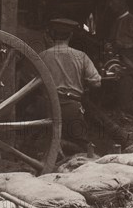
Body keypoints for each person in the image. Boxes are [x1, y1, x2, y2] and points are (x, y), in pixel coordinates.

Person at [39, 18, 102, 150]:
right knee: (84, 146)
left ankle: (58, 146)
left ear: (52, 35)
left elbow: (32, 82)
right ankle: (65, 146)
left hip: (48, 108)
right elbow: (96, 83)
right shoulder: (81, 56)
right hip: (73, 108)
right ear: (71, 35)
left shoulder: (42, 56)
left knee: (50, 142)